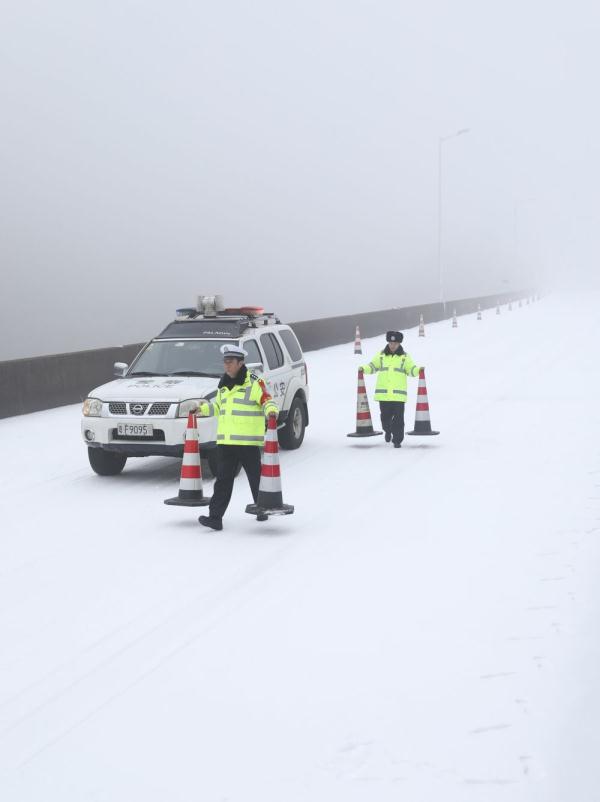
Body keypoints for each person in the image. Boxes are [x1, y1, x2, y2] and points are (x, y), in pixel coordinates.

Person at [196, 344, 278, 530]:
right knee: (223, 481)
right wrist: (201, 408)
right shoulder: (224, 384)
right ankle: (215, 518)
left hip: (248, 442)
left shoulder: (254, 382)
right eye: (225, 362)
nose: (227, 366)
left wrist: (271, 411)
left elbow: (266, 399)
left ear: (241, 363)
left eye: (230, 362)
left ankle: (262, 509)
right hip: (226, 442)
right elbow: (218, 407)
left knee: (256, 478)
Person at [360, 331, 421, 448]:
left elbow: (411, 369)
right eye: (391, 343)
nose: (392, 345)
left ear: (399, 343)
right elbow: (372, 366)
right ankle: (388, 431)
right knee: (385, 419)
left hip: (398, 396)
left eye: (395, 343)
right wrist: (364, 369)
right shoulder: (381, 355)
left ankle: (397, 440)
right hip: (383, 395)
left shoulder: (404, 357)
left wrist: (418, 371)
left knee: (398, 420)